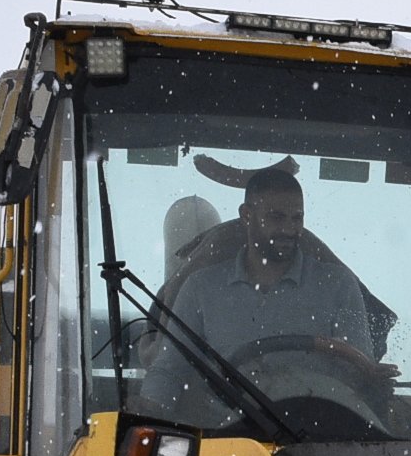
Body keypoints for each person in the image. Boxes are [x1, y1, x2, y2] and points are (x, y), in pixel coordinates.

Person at [131, 161, 396, 427]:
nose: (290, 230)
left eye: (297, 218)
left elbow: (358, 371)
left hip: (316, 434)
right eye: (277, 217)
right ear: (246, 215)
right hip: (225, 438)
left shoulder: (338, 285)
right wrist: (149, 415)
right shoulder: (201, 288)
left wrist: (371, 383)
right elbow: (170, 369)